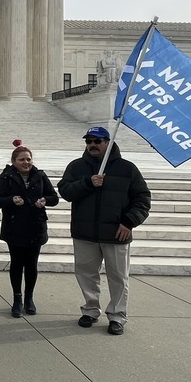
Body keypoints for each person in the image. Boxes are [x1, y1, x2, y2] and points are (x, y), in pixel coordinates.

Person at [58, 126, 151, 336]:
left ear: (108, 143)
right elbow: (65, 191)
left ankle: (117, 316)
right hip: (85, 233)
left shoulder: (127, 169)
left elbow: (142, 199)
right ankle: (91, 309)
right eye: (89, 141)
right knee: (86, 274)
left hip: (116, 234)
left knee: (118, 277)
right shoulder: (77, 166)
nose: (92, 144)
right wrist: (87, 183)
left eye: (97, 141)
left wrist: (129, 222)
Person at [0, 140, 59, 318]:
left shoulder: (40, 176)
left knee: (31, 265)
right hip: (15, 227)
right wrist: (12, 200)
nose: (26, 163)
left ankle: (29, 298)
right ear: (14, 161)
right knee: (16, 264)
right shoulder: (6, 176)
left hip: (35, 227)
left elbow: (54, 197)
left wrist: (45, 200)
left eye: (28, 159)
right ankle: (17, 299)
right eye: (22, 159)